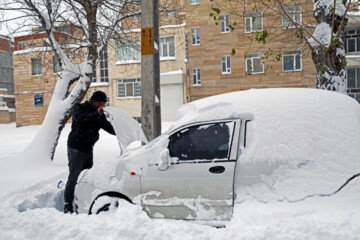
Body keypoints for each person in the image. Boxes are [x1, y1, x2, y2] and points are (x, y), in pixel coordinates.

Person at [64, 91, 116, 213]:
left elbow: (108, 127)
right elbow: (80, 119)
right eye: (103, 103)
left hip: (88, 149)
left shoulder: (99, 114)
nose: (104, 106)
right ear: (96, 102)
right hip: (76, 148)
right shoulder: (79, 108)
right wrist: (96, 114)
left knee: (86, 178)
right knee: (74, 177)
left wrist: (121, 129)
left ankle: (82, 202)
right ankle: (67, 205)